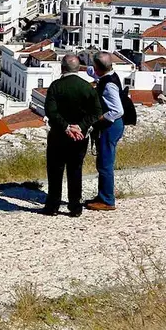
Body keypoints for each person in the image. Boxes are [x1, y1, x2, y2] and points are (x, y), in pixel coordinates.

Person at [42, 54, 103, 218]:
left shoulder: (55, 86)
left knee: (55, 170)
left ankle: (53, 205)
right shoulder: (87, 87)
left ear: (62, 68)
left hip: (58, 136)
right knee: (75, 170)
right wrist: (81, 126)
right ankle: (75, 206)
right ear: (78, 69)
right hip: (80, 137)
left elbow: (50, 111)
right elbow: (97, 111)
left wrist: (66, 127)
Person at [88, 52, 126, 212]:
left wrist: (101, 118)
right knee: (103, 161)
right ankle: (102, 195)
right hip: (113, 126)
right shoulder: (110, 75)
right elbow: (94, 73)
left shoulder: (109, 85)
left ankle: (107, 200)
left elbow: (118, 110)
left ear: (98, 68)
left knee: (105, 164)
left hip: (110, 126)